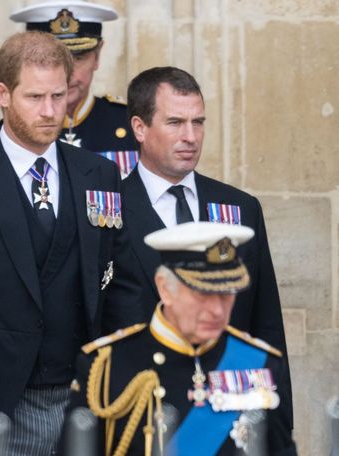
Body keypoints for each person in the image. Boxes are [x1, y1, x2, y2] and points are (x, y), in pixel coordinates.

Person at [0, 31, 142, 455]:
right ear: (3, 94)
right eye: (35, 97)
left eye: (58, 96)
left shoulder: (98, 174)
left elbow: (123, 284)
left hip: (88, 397)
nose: (50, 111)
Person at [121, 66, 293, 425]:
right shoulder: (110, 210)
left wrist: (278, 422)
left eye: (198, 122)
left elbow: (266, 322)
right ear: (140, 128)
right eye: (174, 123)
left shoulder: (240, 207)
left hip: (226, 412)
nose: (190, 136)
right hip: (141, 409)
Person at [68, 222, 297, 455]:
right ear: (165, 288)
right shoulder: (106, 366)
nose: (217, 310)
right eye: (204, 294)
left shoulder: (259, 363)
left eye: (227, 294)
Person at [0, 0, 139, 179]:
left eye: (78, 58)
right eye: (49, 63)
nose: (67, 74)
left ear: (97, 56)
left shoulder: (130, 125)